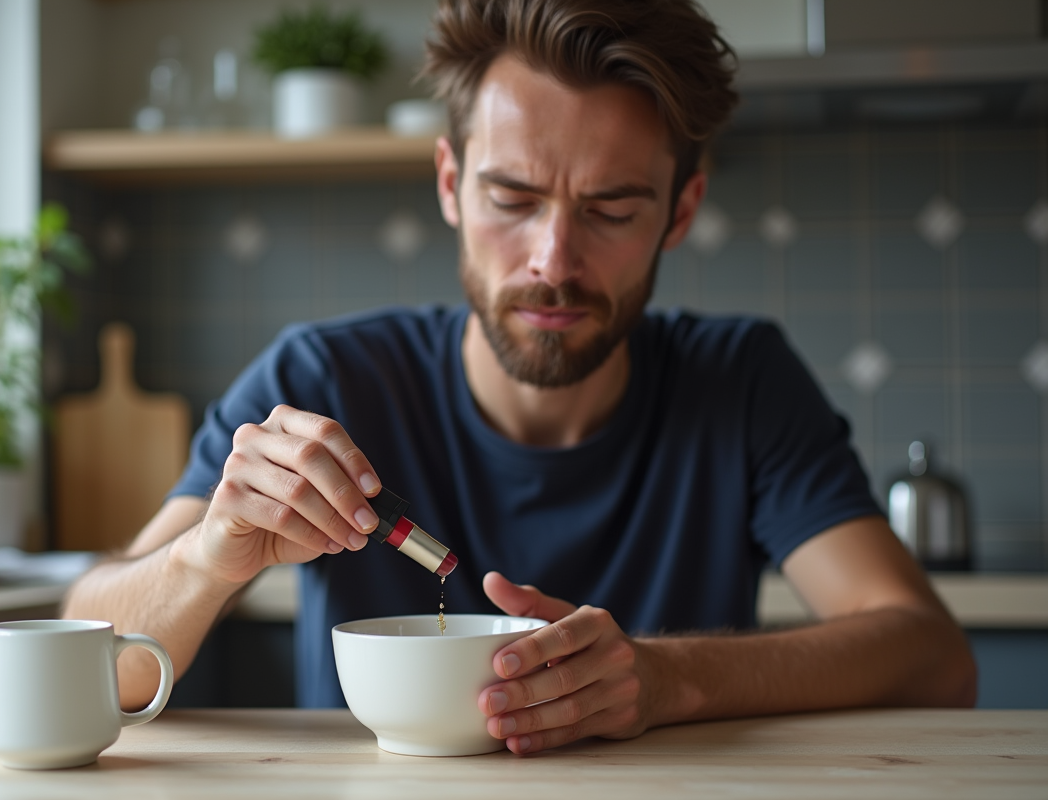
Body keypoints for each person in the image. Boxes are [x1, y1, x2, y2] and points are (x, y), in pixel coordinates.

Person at [64, 0, 976, 754]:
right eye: (513, 199)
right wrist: (204, 559)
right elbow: (85, 659)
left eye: (611, 208)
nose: (553, 260)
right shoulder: (322, 377)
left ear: (680, 211)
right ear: (450, 184)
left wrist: (668, 678)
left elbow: (932, 657)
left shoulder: (741, 381)